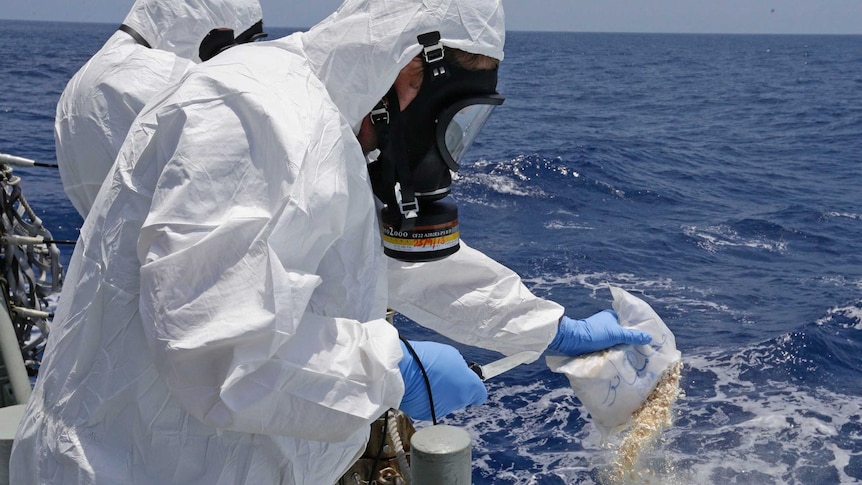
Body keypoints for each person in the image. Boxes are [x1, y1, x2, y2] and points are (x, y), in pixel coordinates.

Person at [12, 0, 651, 483]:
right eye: (456, 114)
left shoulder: (328, 125)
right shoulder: (255, 114)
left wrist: (547, 328)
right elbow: (215, 349)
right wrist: (391, 370)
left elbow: (406, 262)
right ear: (412, 70)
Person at [54, 0, 267, 219]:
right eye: (248, 41)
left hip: (105, 243)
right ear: (217, 28)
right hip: (168, 245)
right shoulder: (168, 78)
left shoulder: (83, 78)